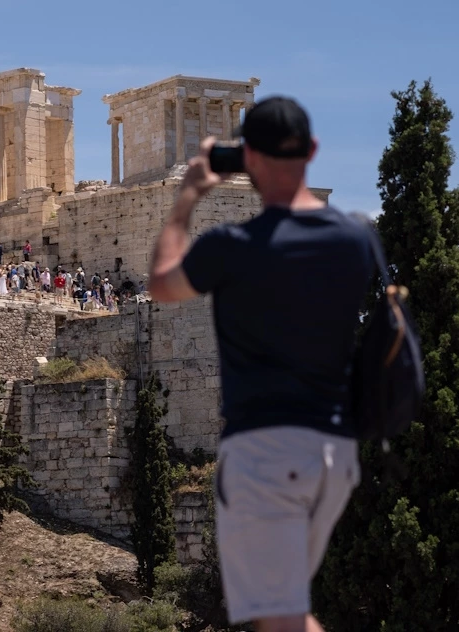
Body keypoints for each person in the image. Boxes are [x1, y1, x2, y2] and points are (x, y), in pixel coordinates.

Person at [148, 97, 373, 632]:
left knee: (280, 620)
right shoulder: (357, 239)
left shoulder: (233, 247)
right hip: (335, 455)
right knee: (289, 610)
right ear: (312, 151)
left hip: (267, 451)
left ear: (246, 157)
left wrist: (187, 198)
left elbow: (161, 282)